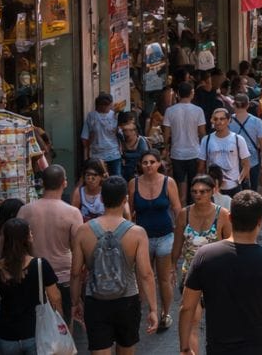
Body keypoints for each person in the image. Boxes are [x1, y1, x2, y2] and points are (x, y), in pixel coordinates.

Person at [179, 190, 262, 355]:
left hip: (220, 349)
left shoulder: (204, 256)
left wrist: (185, 347)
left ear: (230, 218)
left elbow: (187, 307)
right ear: (260, 221)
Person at [70, 176, 159, 352]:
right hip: (127, 300)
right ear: (125, 199)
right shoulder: (137, 233)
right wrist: (153, 309)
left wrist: (75, 302)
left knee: (99, 349)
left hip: (95, 300)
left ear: (102, 199)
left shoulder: (83, 231)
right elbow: (146, 274)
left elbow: (75, 272)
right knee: (126, 348)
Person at [0, 218, 63, 355]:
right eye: (30, 232)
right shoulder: (40, 265)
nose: (32, 235)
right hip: (36, 332)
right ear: (26, 238)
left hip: (7, 334)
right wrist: (60, 322)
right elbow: (55, 297)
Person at [171, 174, 231, 354]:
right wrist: (171, 267)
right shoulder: (184, 214)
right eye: (195, 191)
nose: (198, 195)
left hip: (218, 276)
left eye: (203, 191)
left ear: (213, 191)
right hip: (191, 275)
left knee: (219, 323)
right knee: (191, 321)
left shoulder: (223, 214)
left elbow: (230, 244)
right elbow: (177, 245)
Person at [17, 165, 81, 331]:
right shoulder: (72, 213)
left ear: (42, 183)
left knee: (34, 327)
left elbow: (17, 246)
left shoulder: (25, 211)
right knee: (63, 328)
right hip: (63, 275)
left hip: (31, 275)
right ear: (64, 183)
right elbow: (78, 250)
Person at [126, 150, 181, 334]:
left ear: (158, 164)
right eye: (145, 162)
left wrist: (181, 235)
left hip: (165, 236)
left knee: (164, 279)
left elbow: (177, 209)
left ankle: (165, 313)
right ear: (140, 165)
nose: (148, 165)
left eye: (152, 162)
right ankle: (148, 311)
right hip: (142, 238)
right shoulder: (133, 184)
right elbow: (129, 213)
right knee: (143, 277)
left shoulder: (168, 182)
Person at [163, 82, 208, 205]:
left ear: (177, 94)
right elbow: (202, 133)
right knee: (194, 186)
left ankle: (182, 212)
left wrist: (166, 151)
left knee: (181, 189)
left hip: (177, 154)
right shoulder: (198, 110)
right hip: (194, 152)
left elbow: (166, 135)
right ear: (192, 93)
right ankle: (193, 210)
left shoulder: (170, 111)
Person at [197, 107, 251, 197]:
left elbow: (246, 165)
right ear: (212, 121)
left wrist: (239, 181)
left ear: (229, 120)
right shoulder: (206, 140)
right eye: (215, 119)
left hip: (234, 187)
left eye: (222, 119)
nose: (218, 122)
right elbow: (201, 166)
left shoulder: (238, 139)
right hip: (214, 188)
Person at [230, 93, 262, 192]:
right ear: (248, 105)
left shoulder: (228, 121)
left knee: (235, 191)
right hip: (253, 160)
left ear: (233, 105)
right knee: (252, 191)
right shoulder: (257, 121)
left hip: (233, 161)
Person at [83, 92, 122, 178]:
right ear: (102, 105)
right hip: (99, 155)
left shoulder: (115, 115)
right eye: (109, 105)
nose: (111, 107)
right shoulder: (92, 116)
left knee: (115, 179)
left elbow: (121, 133)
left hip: (113, 153)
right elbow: (84, 139)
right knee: (102, 179)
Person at [116, 111, 148, 181]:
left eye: (132, 129)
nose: (130, 126)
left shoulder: (141, 141)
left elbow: (144, 157)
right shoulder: (120, 139)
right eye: (127, 123)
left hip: (137, 173)